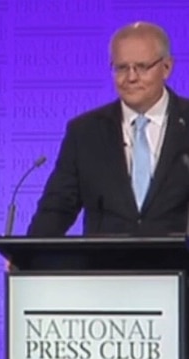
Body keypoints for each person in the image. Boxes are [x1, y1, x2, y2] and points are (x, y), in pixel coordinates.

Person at [27, 21, 189, 236]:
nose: (131, 77)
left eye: (141, 67)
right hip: (105, 265)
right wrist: (29, 256)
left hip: (179, 264)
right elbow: (57, 208)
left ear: (166, 67)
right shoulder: (85, 132)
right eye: (121, 68)